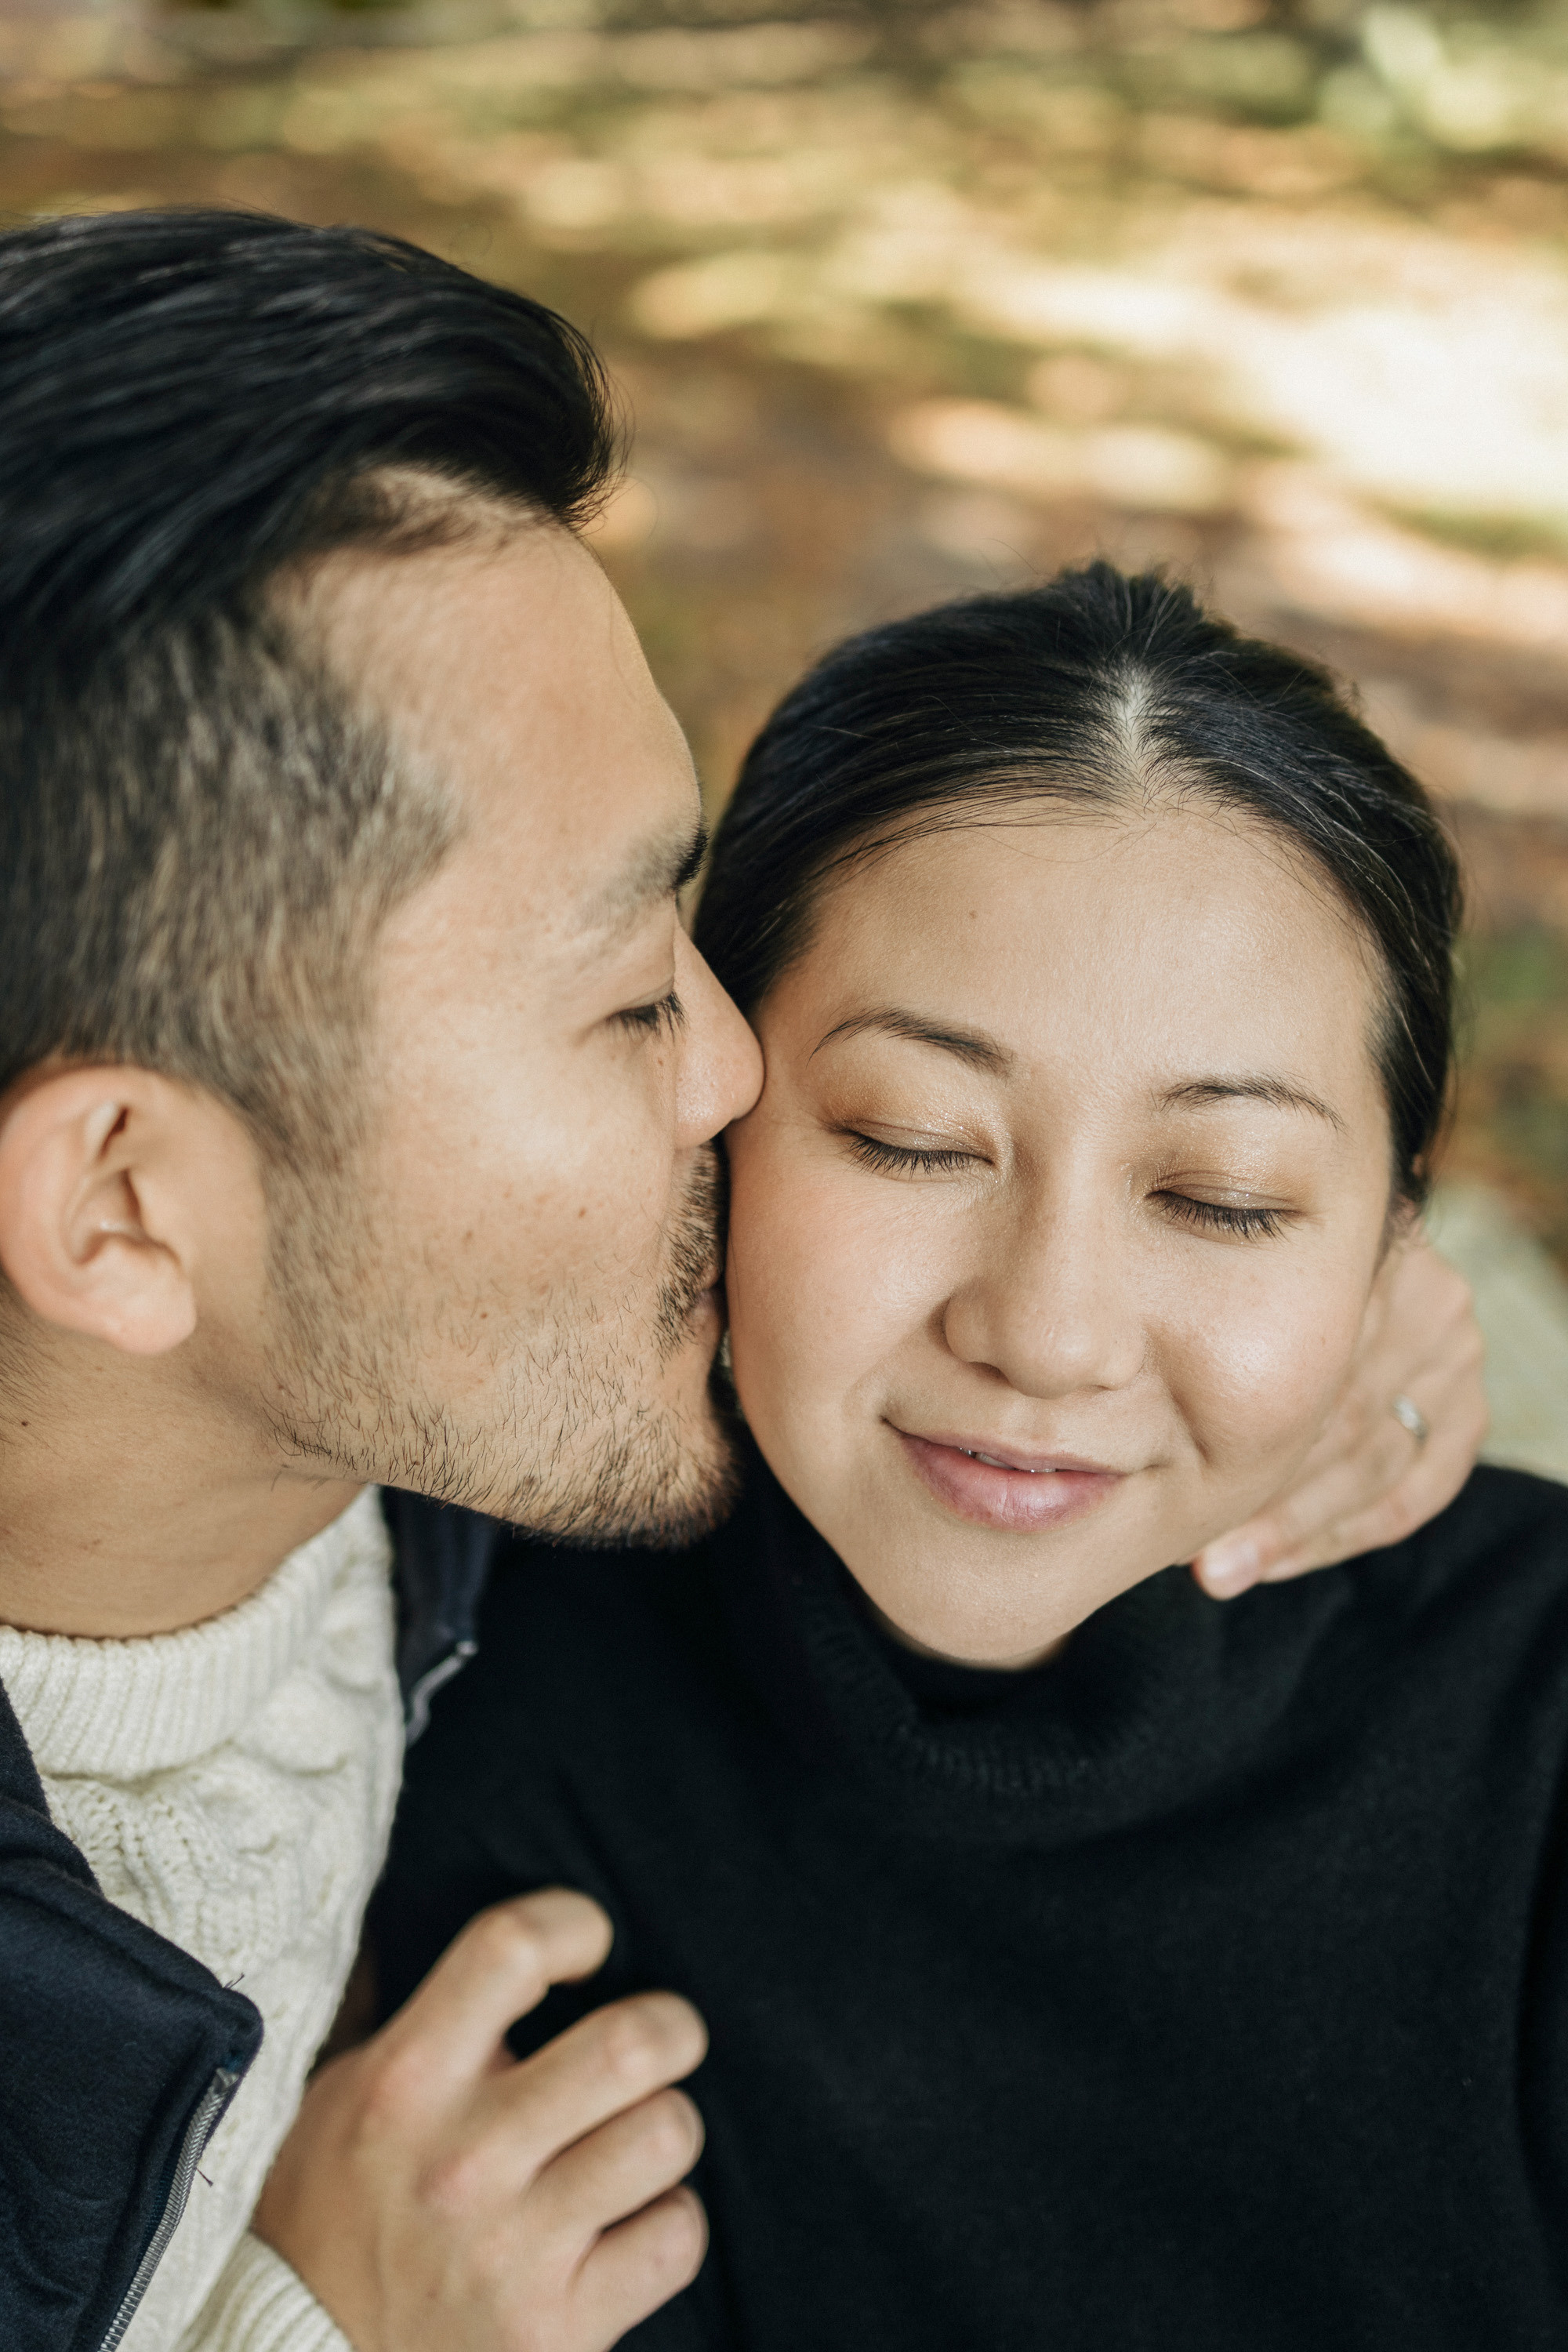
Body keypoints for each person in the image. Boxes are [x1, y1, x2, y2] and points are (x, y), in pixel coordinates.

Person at [0, 206, 1482, 2352]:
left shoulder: (465, 1454)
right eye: (626, 1004)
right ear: (122, 1211)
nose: (740, 1068)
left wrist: (1329, 1269)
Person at [376, 566, 1568, 2351]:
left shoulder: (1535, 1728)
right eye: (912, 1139)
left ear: (1396, 1241)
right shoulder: (433, 1644)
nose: (1050, 1329)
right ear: (707, 1095)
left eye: (1221, 1198)